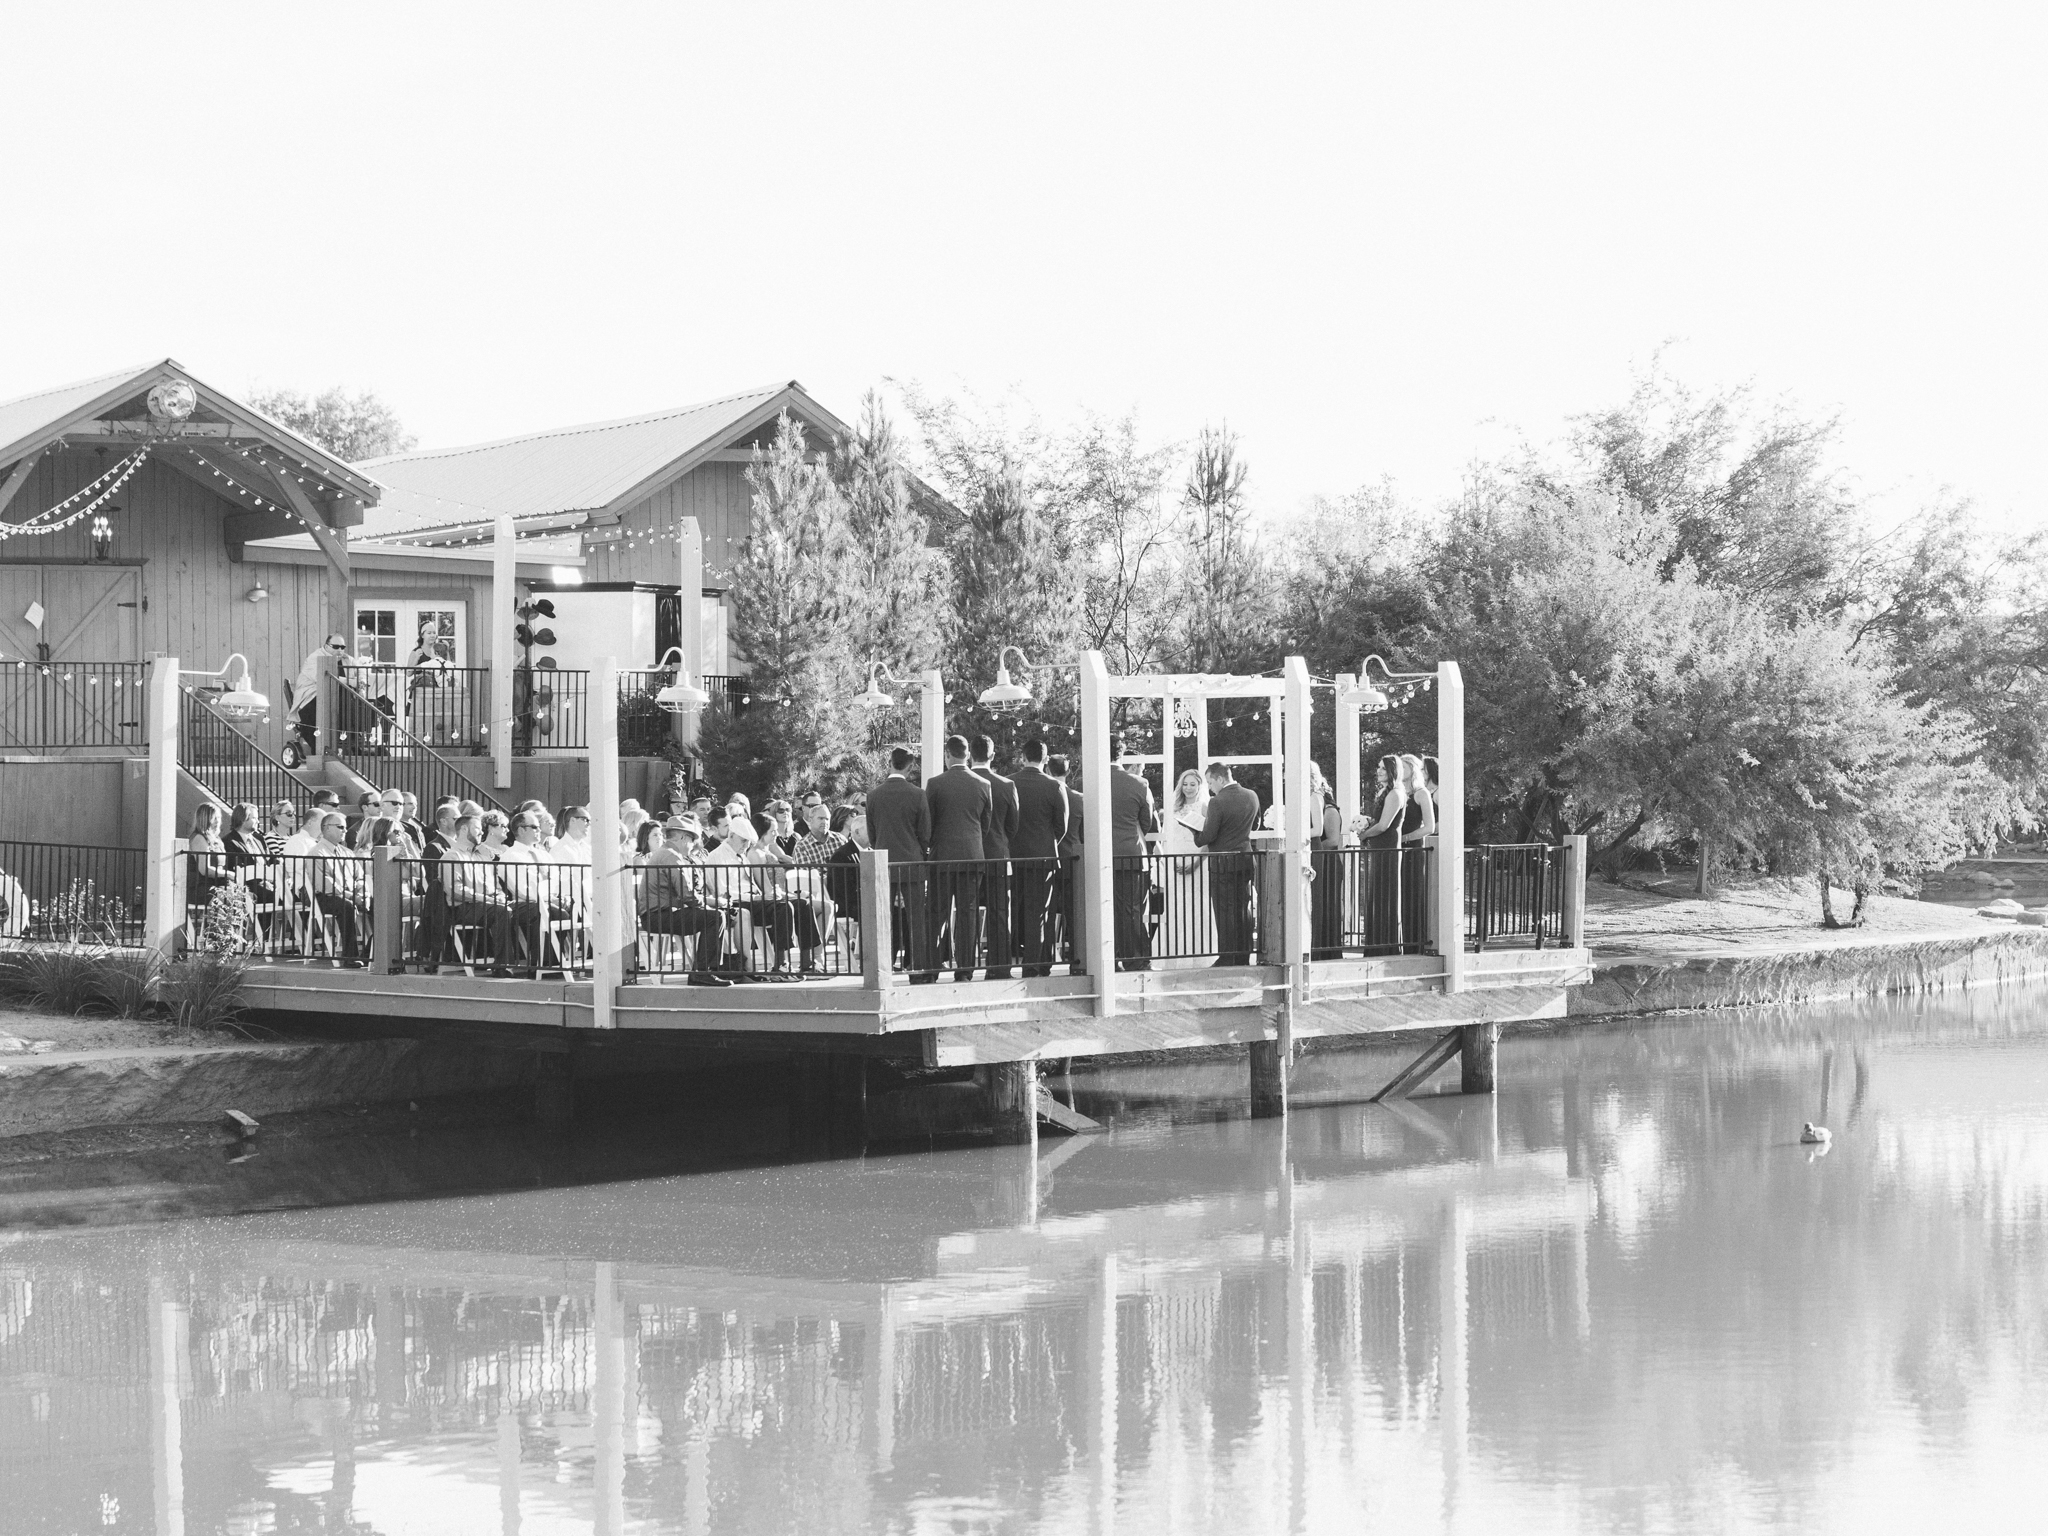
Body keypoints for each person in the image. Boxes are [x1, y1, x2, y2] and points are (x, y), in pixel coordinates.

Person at [926, 735, 992, 982]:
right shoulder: (983, 784)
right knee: (969, 913)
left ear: (947, 755)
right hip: (973, 856)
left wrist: (934, 844)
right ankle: (965, 969)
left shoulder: (935, 784)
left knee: (937, 912)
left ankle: (932, 967)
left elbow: (927, 823)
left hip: (942, 857)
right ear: (968, 755)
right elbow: (985, 824)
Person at [638, 815, 730, 985]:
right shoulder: (672, 857)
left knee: (715, 915)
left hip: (658, 915)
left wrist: (710, 903)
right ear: (683, 837)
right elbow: (687, 895)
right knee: (715, 918)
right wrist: (710, 905)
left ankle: (707, 970)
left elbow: (684, 896)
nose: (694, 844)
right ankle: (703, 972)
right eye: (692, 839)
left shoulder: (666, 854)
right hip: (658, 917)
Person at [867, 747, 934, 981]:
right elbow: (925, 832)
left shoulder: (874, 795)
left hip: (884, 862)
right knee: (916, 920)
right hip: (912, 861)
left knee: (884, 919)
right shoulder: (917, 794)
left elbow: (872, 833)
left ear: (890, 763)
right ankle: (918, 971)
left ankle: (883, 970)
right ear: (910, 766)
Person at [1009, 739, 1068, 977]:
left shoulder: (1009, 782)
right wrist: (1047, 842)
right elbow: (1060, 826)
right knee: (1039, 913)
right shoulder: (1055, 787)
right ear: (1045, 760)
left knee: (1010, 909)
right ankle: (1034, 964)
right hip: (1044, 857)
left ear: (1022, 757)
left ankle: (1007, 959)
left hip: (1012, 856)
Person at [1194, 762, 1260, 966]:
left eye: (1210, 782)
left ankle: (1227, 956)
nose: (1210, 787)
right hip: (1246, 860)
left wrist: (1195, 831)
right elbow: (1256, 824)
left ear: (1221, 779)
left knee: (1224, 912)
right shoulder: (1252, 795)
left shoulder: (1217, 802)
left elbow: (1207, 836)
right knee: (1244, 909)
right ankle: (1244, 955)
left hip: (1223, 863)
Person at [967, 736, 1020, 979]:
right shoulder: (1006, 785)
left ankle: (965, 966)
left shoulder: (965, 782)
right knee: (1000, 912)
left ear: (970, 755)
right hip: (999, 854)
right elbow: (1013, 825)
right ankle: (999, 966)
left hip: (969, 856)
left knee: (967, 912)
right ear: (993, 755)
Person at [1105, 736, 1160, 971]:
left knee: (1105, 909)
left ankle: (1111, 957)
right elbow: (1147, 822)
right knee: (1133, 910)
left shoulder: (1092, 781)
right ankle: (1136, 958)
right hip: (1132, 853)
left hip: (1101, 854)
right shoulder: (1139, 784)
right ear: (1122, 755)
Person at [1155, 768, 1217, 966]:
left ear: (1200, 786)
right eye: (1185, 784)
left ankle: (1200, 953)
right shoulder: (1173, 807)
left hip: (1198, 860)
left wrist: (1197, 862)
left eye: (1193, 784)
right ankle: (1174, 952)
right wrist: (1169, 860)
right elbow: (1167, 837)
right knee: (1176, 905)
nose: (1188, 788)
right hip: (1176, 861)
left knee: (1198, 905)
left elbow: (1209, 838)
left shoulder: (1206, 806)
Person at [442, 810, 514, 974]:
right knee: (501, 911)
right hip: (462, 908)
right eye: (477, 828)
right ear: (465, 830)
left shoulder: (481, 856)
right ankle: (504, 965)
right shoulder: (452, 856)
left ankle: (526, 961)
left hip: (485, 905)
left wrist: (499, 897)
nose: (482, 831)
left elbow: (494, 885)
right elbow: (454, 890)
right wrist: (488, 900)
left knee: (518, 909)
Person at [1354, 755, 1408, 951]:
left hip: (1388, 849)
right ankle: (1374, 942)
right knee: (1376, 894)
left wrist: (1364, 834)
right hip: (1378, 847)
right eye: (1378, 767)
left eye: (1383, 769)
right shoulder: (1384, 792)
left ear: (1393, 771)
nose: (1378, 771)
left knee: (1386, 894)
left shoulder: (1395, 793)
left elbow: (1384, 825)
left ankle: (1387, 944)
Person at [308, 810, 369, 962]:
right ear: (326, 828)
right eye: (340, 827)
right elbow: (325, 885)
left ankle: (372, 952)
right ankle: (351, 957)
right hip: (325, 898)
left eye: (345, 827)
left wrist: (364, 894)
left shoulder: (347, 852)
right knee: (347, 906)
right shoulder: (317, 853)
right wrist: (352, 896)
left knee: (379, 904)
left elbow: (360, 877)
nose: (345, 831)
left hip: (351, 895)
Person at [1048, 755, 1085, 974]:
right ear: (1068, 771)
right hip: (1073, 860)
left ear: (1048, 769)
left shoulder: (1046, 793)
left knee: (1047, 910)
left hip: (1051, 858)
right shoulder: (1078, 798)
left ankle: (1048, 956)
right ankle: (1076, 958)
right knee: (1075, 913)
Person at [1307, 763, 1347, 960]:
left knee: (1328, 905)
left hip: (1329, 862)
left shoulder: (1329, 810)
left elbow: (1332, 840)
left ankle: (1328, 949)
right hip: (1318, 858)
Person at [290, 633, 351, 754]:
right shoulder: (315, 658)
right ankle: (322, 751)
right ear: (326, 646)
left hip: (333, 700)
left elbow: (360, 673)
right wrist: (353, 682)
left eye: (342, 647)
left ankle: (349, 746)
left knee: (352, 706)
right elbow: (324, 678)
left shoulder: (346, 659)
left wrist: (362, 682)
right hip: (309, 700)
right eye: (336, 646)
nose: (340, 650)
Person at [1399, 752, 1437, 947]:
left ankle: (1415, 940)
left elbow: (1429, 827)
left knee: (1412, 893)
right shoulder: (1395, 792)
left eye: (1403, 767)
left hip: (1412, 850)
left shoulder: (1421, 793)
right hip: (1394, 849)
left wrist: (1405, 838)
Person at [186, 804, 231, 913]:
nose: (218, 821)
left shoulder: (217, 840)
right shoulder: (199, 838)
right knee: (229, 900)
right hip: (201, 887)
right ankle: (221, 929)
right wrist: (229, 874)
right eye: (214, 818)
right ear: (205, 819)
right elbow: (204, 869)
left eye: (219, 818)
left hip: (217, 885)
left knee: (246, 897)